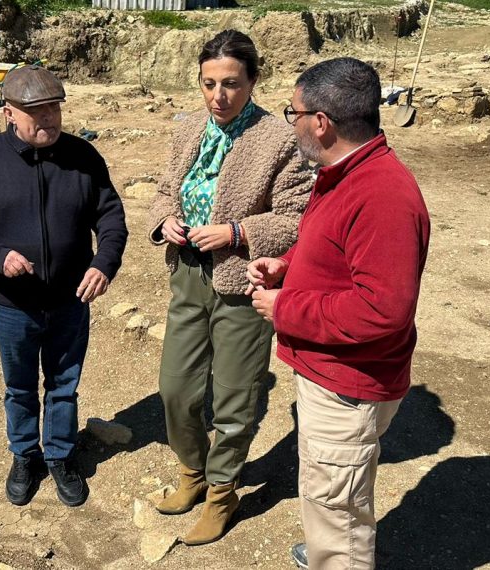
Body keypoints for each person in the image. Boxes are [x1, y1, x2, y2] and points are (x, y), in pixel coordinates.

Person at [244, 57, 431, 569]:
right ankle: (330, 546)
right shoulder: (344, 173)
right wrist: (287, 266)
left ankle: (339, 557)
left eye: (293, 113)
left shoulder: (381, 195)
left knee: (338, 501)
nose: (292, 123)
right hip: (335, 370)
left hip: (348, 383)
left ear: (321, 123)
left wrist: (286, 307)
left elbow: (382, 310)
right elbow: (337, 254)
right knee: (332, 494)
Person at [147, 29, 311, 546]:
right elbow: (165, 189)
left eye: (232, 84)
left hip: (243, 279)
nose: (219, 96)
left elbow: (299, 216)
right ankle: (192, 473)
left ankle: (222, 493)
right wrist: (165, 220)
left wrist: (239, 232)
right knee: (176, 388)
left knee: (236, 399)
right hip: (189, 275)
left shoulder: (280, 139)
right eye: (208, 83)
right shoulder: (189, 127)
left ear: (254, 82)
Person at [0, 65, 127, 508]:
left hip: (70, 300)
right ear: (9, 113)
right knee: (20, 386)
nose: (49, 119)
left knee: (64, 384)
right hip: (12, 305)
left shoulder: (83, 157)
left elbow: (111, 218)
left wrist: (103, 263)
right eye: (37, 112)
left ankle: (62, 455)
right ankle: (26, 455)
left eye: (54, 110)